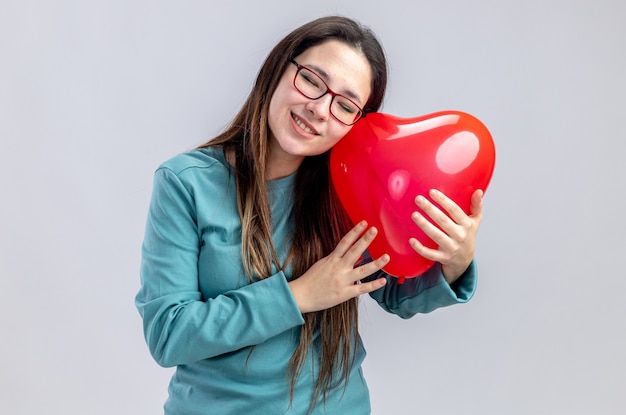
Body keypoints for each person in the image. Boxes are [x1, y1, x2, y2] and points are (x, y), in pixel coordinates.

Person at [135, 15, 483, 415]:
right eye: (313, 81)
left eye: (345, 105)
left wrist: (455, 261)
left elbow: (393, 292)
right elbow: (169, 334)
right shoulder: (185, 183)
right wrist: (298, 295)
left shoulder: (349, 188)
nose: (319, 109)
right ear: (279, 68)